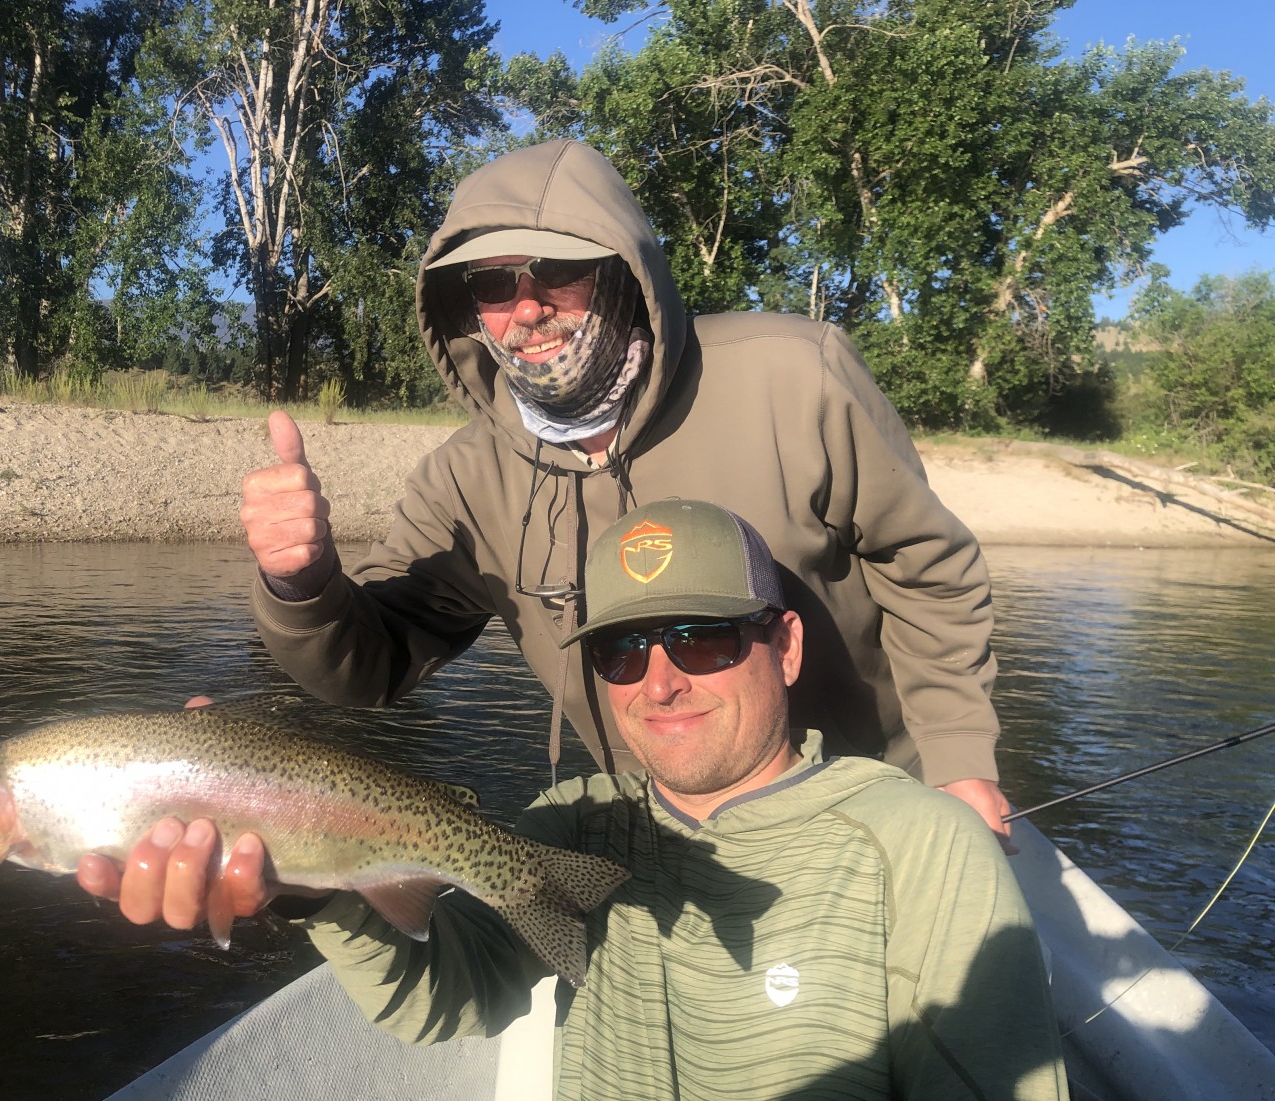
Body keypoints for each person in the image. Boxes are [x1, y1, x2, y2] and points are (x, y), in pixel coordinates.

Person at [80, 499, 1075, 1101]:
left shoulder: (920, 846)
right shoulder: (573, 821)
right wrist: (308, 880)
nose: (660, 680)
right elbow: (445, 998)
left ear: (787, 647)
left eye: (702, 638)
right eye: (621, 650)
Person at [239, 138, 1014, 844]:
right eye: (495, 284)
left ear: (621, 269)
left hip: (878, 801)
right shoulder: (465, 479)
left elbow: (928, 571)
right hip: (671, 840)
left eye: (559, 271)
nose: (529, 307)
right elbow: (364, 666)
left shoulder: (795, 376)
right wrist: (301, 584)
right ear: (466, 308)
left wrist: (957, 760)